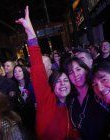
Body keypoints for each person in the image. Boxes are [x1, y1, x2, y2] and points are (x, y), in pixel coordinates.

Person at [15, 6, 81, 140]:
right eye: (58, 81)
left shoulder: (74, 105)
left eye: (66, 80)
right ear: (52, 85)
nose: (62, 84)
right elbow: (38, 67)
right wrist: (30, 32)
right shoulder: (46, 100)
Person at [65, 57, 110, 140]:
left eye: (78, 69)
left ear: (86, 70)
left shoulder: (100, 93)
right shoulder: (70, 99)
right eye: (70, 72)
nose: (75, 74)